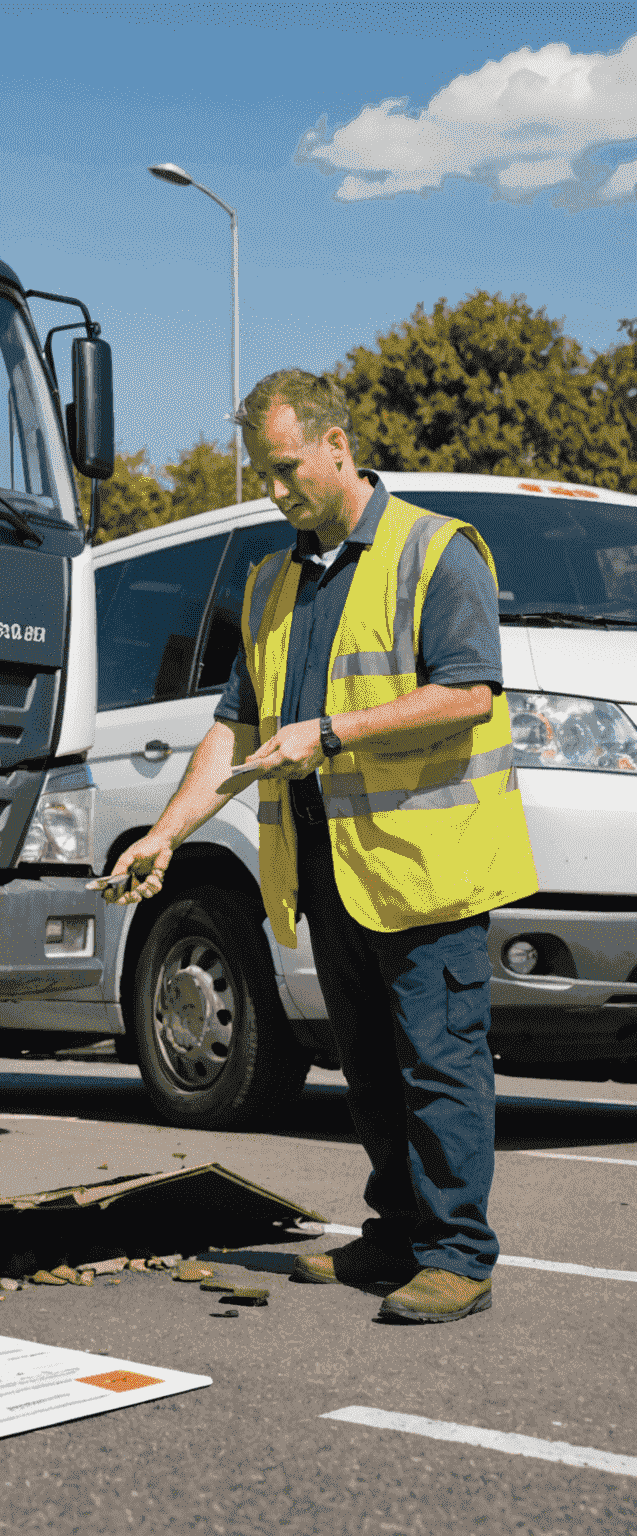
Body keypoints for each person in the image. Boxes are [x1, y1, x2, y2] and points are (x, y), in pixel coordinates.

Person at [94, 369, 537, 1324]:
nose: (275, 488)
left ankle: (458, 1254)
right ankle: (393, 1238)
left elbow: (468, 693)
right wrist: (163, 835)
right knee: (370, 1066)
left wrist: (333, 731)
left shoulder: (437, 552)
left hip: (431, 872)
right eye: (264, 470)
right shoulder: (271, 580)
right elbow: (234, 729)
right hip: (331, 873)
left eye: (287, 466)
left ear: (339, 445)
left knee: (439, 1061)